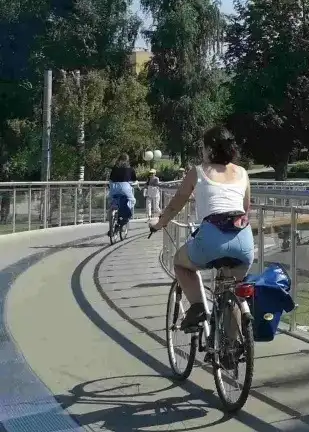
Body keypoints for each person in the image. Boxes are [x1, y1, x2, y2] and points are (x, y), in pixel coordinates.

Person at [150, 126, 254, 331]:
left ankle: (197, 307)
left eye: (203, 147)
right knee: (230, 289)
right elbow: (245, 209)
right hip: (244, 241)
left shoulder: (197, 172)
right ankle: (230, 351)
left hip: (211, 240)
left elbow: (175, 206)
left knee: (180, 263)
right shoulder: (242, 172)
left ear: (209, 149)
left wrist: (158, 224)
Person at [107, 153, 137, 229]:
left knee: (112, 203)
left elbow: (110, 179)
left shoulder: (115, 168)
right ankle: (124, 217)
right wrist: (137, 186)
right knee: (132, 200)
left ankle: (111, 228)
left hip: (114, 187)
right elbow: (134, 181)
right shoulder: (130, 169)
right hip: (125, 188)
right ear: (127, 160)